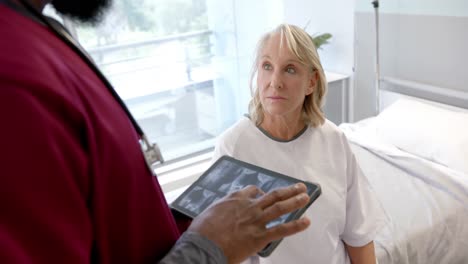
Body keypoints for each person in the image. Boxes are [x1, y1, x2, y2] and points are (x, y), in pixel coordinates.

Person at [0, 1, 313, 263]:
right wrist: (207, 248)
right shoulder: (14, 80)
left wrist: (190, 226)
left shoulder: (34, 34)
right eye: (267, 66)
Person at [212, 24, 384, 264]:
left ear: (311, 82)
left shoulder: (334, 139)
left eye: (290, 69)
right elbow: (220, 249)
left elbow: (359, 235)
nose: (275, 82)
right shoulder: (232, 147)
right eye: (267, 66)